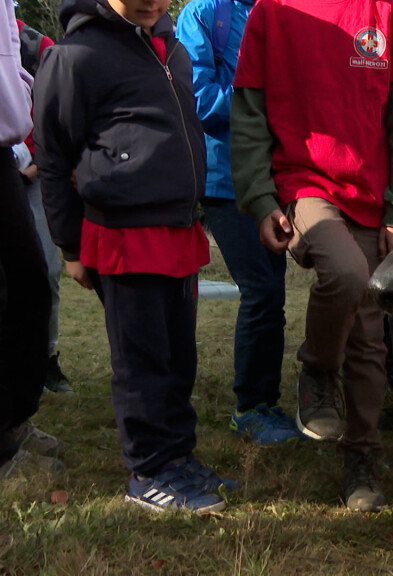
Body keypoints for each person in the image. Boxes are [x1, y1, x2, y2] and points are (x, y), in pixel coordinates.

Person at [231, 0, 393, 512]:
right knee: (346, 273)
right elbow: (249, 113)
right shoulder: (271, 12)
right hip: (306, 188)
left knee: (369, 330)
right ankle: (317, 370)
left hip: (376, 197)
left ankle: (361, 458)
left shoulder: (391, 10)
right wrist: (258, 199)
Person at [33, 0, 235, 513]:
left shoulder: (176, 50)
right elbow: (54, 159)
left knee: (177, 356)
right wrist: (70, 245)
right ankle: (149, 471)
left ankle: (178, 455)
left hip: (178, 229)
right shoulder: (77, 55)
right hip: (122, 236)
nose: (152, 2)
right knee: (141, 359)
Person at [175, 0, 301, 446]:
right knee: (261, 290)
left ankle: (266, 402)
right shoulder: (204, 14)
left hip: (269, 177)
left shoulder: (279, 12)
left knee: (274, 291)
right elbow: (197, 97)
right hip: (222, 177)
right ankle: (250, 407)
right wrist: (267, 100)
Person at [0, 0, 64, 481]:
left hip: (8, 155)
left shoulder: (17, 21)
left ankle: (12, 422)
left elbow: (22, 82)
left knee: (31, 282)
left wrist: (32, 142)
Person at [14, 19, 71, 394]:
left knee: (45, 269)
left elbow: (53, 109)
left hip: (31, 174)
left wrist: (35, 164)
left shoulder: (34, 44)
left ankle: (46, 358)